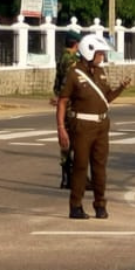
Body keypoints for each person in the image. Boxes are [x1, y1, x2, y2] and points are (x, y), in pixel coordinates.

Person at [56, 34, 129, 220]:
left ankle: (100, 204)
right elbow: (62, 101)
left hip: (101, 125)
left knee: (100, 167)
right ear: (88, 52)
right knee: (80, 166)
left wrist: (121, 88)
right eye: (99, 53)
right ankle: (76, 206)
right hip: (81, 125)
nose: (102, 56)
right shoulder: (74, 74)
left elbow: (107, 98)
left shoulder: (101, 72)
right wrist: (61, 128)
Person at [51, 31, 80, 189]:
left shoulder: (61, 57)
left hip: (63, 102)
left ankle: (65, 177)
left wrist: (58, 96)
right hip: (71, 104)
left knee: (64, 140)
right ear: (76, 44)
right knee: (75, 140)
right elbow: (71, 84)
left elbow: (58, 82)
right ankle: (72, 176)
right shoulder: (73, 61)